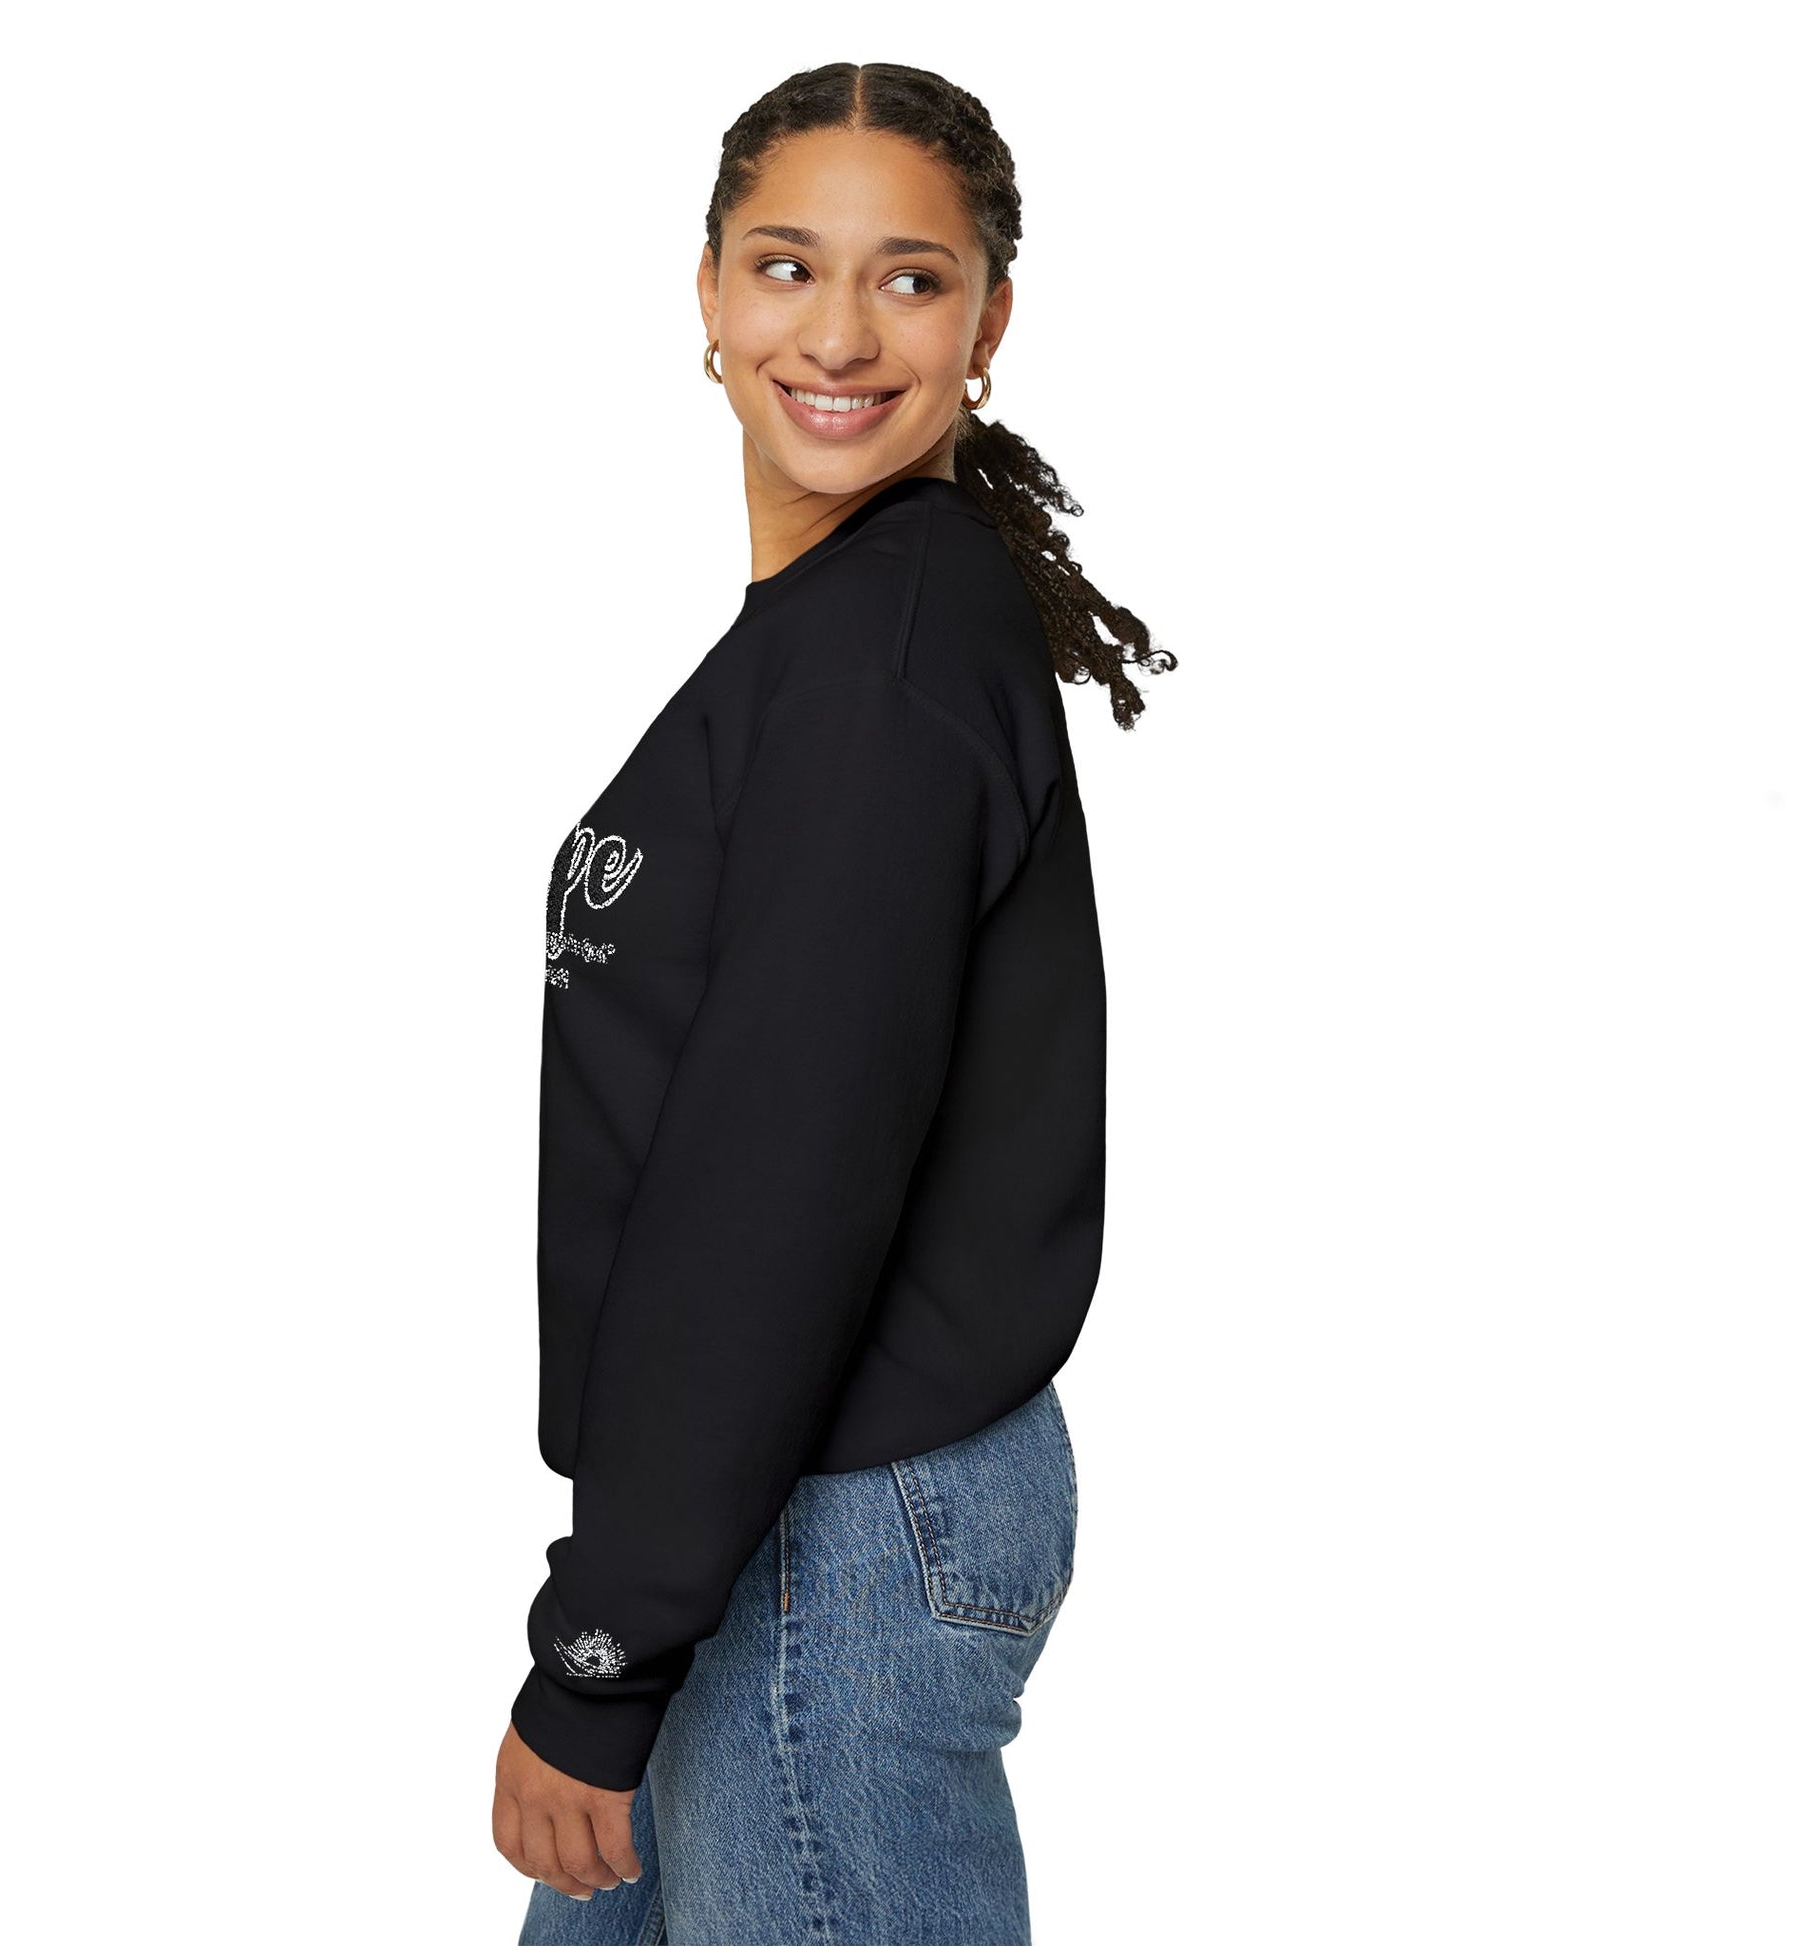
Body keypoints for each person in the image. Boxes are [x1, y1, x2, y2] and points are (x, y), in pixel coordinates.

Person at [491, 61, 1171, 1944]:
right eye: (788, 266)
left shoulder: (880, 660)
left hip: (831, 1529)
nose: (841, 334)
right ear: (707, 292)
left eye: (912, 278)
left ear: (988, 322)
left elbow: (775, 1178)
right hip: (748, 1511)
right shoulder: (838, 632)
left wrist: (601, 1653)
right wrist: (629, 1590)